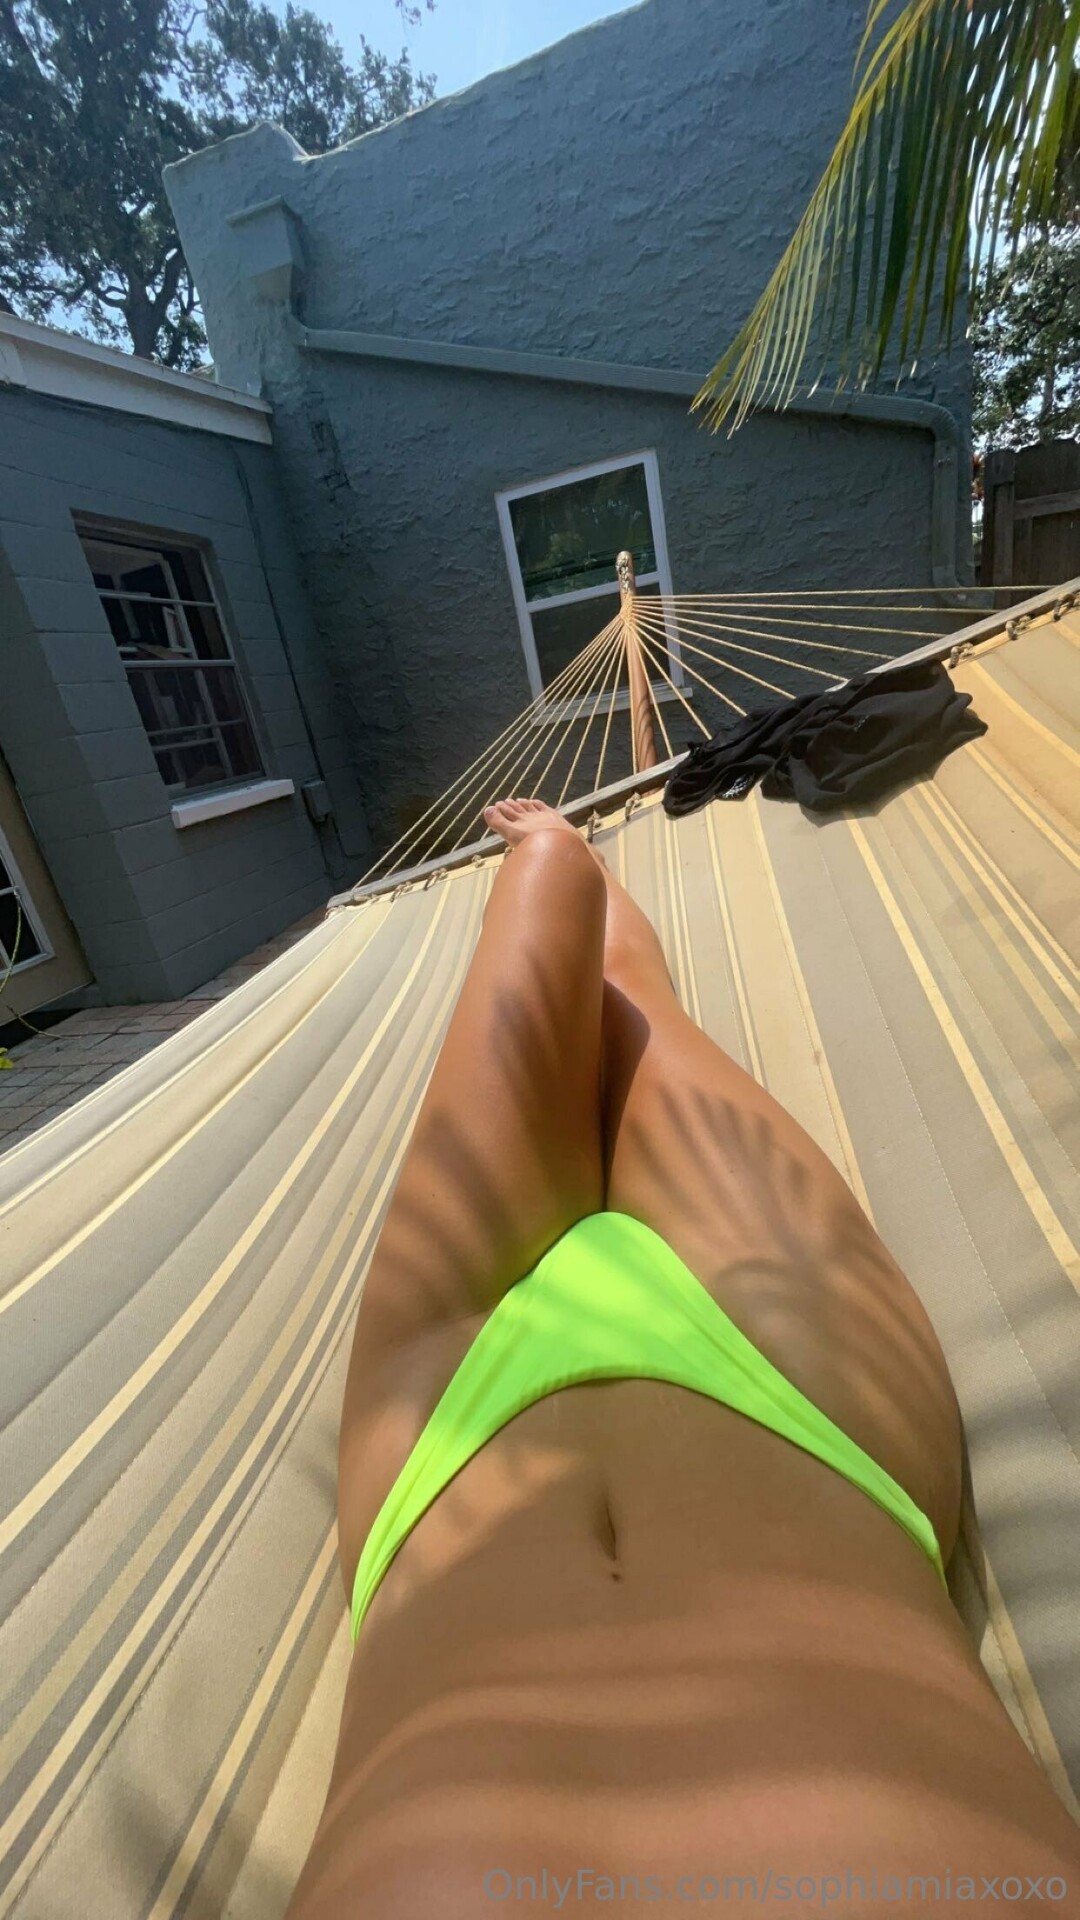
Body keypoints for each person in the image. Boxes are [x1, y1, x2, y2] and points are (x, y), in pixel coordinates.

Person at [286, 798, 1080, 1916]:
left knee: (549, 906)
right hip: (804, 1396)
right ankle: (568, 868)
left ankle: (556, 856)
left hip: (446, 1426)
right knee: (630, 996)